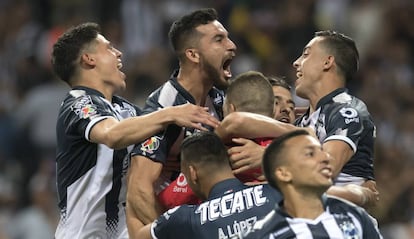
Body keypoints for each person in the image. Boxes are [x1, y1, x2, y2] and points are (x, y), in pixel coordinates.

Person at [52, 22, 219, 239]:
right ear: (88, 59)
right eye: (109, 48)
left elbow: (151, 144)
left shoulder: (127, 109)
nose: (119, 52)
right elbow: (111, 135)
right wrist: (169, 113)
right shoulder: (78, 103)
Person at [126, 8, 237, 237]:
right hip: (179, 219)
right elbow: (139, 191)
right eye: (219, 39)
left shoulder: (219, 99)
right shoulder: (165, 106)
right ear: (193, 55)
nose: (232, 45)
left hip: (210, 216)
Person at [136, 131, 282, 239]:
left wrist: (133, 187)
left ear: (192, 173)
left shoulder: (183, 219)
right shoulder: (276, 192)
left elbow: (140, 236)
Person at [292, 30, 378, 205]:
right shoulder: (302, 121)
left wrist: (267, 162)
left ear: (327, 61)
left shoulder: (348, 111)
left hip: (346, 224)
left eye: (306, 55)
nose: (296, 63)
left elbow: (323, 171)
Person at [244, 130, 383, 239]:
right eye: (310, 154)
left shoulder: (354, 216)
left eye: (321, 151)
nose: (326, 157)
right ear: (283, 173)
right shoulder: (262, 234)